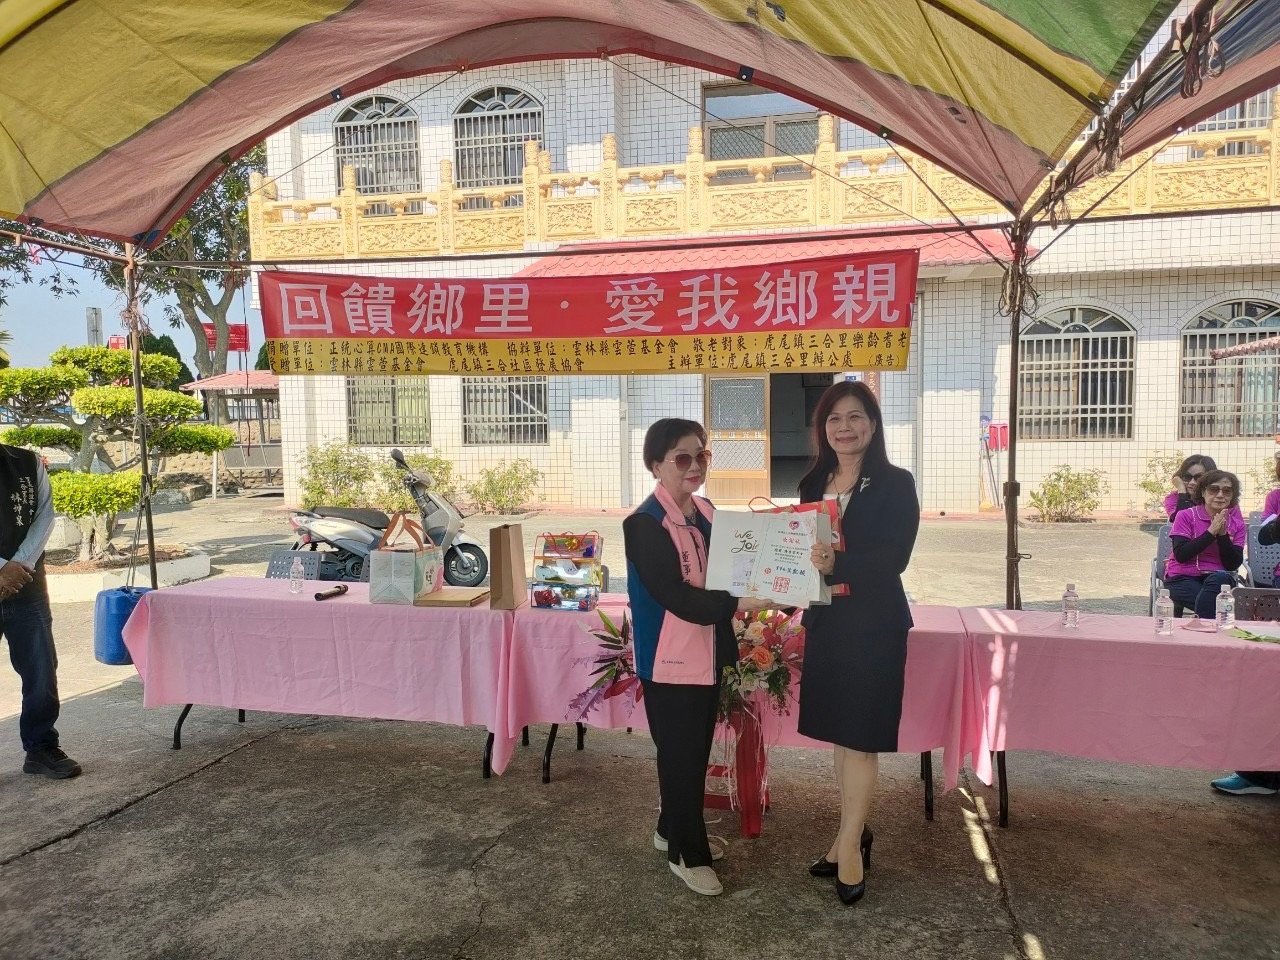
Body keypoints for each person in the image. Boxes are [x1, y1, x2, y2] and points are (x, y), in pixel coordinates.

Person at [623, 418, 768, 897]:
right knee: (682, 756)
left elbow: (738, 562)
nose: (695, 466)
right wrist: (744, 602)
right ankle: (688, 855)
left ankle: (671, 829)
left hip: (707, 653)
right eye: (682, 457)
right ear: (655, 465)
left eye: (702, 455)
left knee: (690, 751)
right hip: (669, 661)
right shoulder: (643, 524)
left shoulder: (706, 511)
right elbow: (678, 597)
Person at [798, 382, 919, 907]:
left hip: (874, 624)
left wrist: (838, 563)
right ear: (822, 428)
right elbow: (796, 549)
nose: (844, 428)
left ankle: (848, 846)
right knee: (840, 734)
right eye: (833, 419)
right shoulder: (812, 482)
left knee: (862, 736)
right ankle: (851, 831)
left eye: (854, 417)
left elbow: (895, 558)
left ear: (873, 423)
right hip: (828, 620)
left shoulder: (895, 482)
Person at [1, 444, 81, 778]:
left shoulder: (26, 461)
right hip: (15, 574)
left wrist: (18, 565)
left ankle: (41, 746)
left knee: (41, 669)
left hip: (26, 582)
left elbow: (44, 516)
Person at [1163, 469, 1246, 620]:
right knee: (1215, 604)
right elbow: (1181, 555)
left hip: (1219, 579)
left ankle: (1201, 628)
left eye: (1227, 491)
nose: (1220, 495)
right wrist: (1210, 532)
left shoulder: (1237, 525)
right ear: (1203, 492)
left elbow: (1232, 564)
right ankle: (1210, 627)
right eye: (1214, 489)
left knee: (1219, 580)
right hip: (1182, 577)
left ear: (1232, 495)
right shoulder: (1185, 515)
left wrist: (1222, 535)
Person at [1165, 455, 1217, 521]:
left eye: (1199, 478)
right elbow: (1181, 521)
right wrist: (1182, 491)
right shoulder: (1173, 498)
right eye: (1187, 477)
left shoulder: (1219, 498)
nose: (1192, 482)